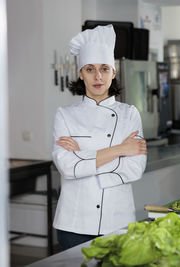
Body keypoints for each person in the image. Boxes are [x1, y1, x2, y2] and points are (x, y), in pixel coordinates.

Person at [52, 25, 147, 250]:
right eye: (90, 69)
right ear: (80, 73)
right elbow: (67, 168)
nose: (97, 76)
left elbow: (134, 169)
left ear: (113, 73)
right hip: (74, 223)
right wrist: (119, 150)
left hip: (118, 220)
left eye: (104, 69)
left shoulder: (129, 114)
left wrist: (81, 157)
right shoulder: (64, 115)